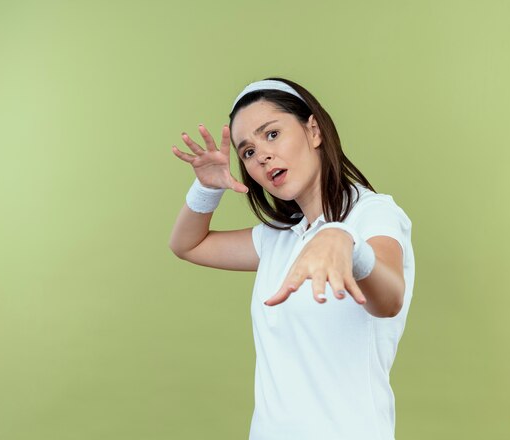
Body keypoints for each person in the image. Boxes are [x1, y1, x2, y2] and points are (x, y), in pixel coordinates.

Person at [168, 77, 415, 440]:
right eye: (248, 152)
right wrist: (206, 187)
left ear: (313, 130)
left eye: (271, 134)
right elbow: (187, 245)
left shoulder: (373, 214)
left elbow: (390, 299)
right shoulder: (280, 239)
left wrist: (346, 241)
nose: (262, 155)